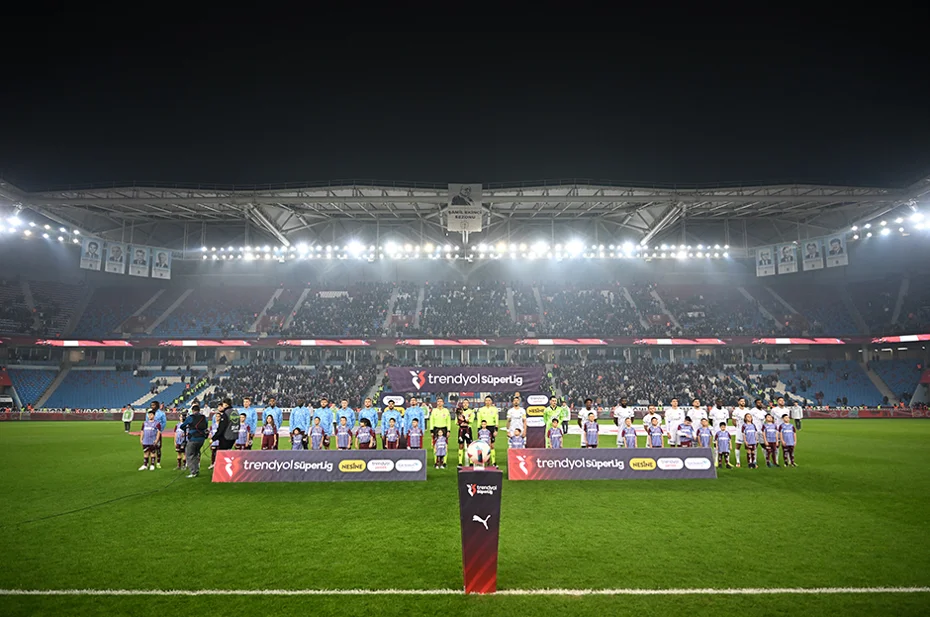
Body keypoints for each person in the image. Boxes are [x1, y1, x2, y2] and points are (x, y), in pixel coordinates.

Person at [178, 403, 208, 478]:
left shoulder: (191, 417)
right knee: (196, 454)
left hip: (193, 438)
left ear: (192, 410)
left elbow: (182, 426)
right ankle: (196, 470)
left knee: (189, 455)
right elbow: (206, 426)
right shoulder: (203, 417)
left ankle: (193, 472)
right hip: (201, 439)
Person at [476, 396, 499, 465]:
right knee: (482, 445)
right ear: (484, 401)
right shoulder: (481, 409)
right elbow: (479, 420)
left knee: (491, 445)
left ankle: (493, 461)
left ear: (491, 401)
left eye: (489, 400)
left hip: (491, 427)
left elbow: (496, 420)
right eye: (486, 400)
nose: (488, 402)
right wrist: (478, 430)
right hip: (483, 428)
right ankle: (482, 460)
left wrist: (496, 430)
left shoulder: (495, 409)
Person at [456, 401, 474, 466]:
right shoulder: (459, 411)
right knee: (461, 445)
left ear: (468, 404)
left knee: (469, 445)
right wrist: (463, 422)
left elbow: (471, 421)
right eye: (464, 403)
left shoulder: (471, 411)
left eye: (466, 403)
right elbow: (456, 422)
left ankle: (471, 462)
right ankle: (460, 462)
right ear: (462, 404)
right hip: (461, 430)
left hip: (468, 429)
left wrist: (464, 421)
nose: (465, 404)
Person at [731, 397, 748, 468]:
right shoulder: (736, 411)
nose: (743, 402)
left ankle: (750, 461)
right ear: (738, 402)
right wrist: (738, 427)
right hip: (739, 431)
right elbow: (733, 421)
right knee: (738, 446)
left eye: (743, 401)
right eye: (741, 401)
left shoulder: (747, 410)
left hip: (747, 431)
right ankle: (738, 461)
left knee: (748, 446)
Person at [151, 402, 167, 469]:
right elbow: (147, 422)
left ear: (157, 406)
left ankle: (158, 462)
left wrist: (160, 430)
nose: (152, 406)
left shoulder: (161, 413)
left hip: (157, 432)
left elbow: (164, 422)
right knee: (151, 448)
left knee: (158, 447)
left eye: (153, 405)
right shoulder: (149, 413)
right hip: (150, 433)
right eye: (151, 405)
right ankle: (151, 463)